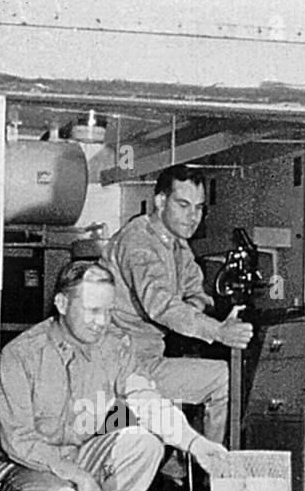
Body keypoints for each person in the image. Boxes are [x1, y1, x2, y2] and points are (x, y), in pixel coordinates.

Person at [0, 260, 228, 491]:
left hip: (79, 453)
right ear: (62, 304)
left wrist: (196, 443)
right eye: (92, 311)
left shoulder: (115, 346)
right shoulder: (20, 355)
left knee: (144, 443)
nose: (101, 322)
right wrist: (81, 478)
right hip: (27, 464)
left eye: (107, 312)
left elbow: (148, 401)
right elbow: (18, 441)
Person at [100, 164, 254, 464]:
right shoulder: (138, 241)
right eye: (183, 205)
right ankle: (207, 470)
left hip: (147, 362)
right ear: (160, 201)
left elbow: (195, 291)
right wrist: (217, 331)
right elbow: (160, 304)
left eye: (198, 207)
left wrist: (196, 309)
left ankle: (192, 469)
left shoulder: (176, 245)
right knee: (222, 378)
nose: (192, 216)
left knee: (224, 377)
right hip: (118, 370)